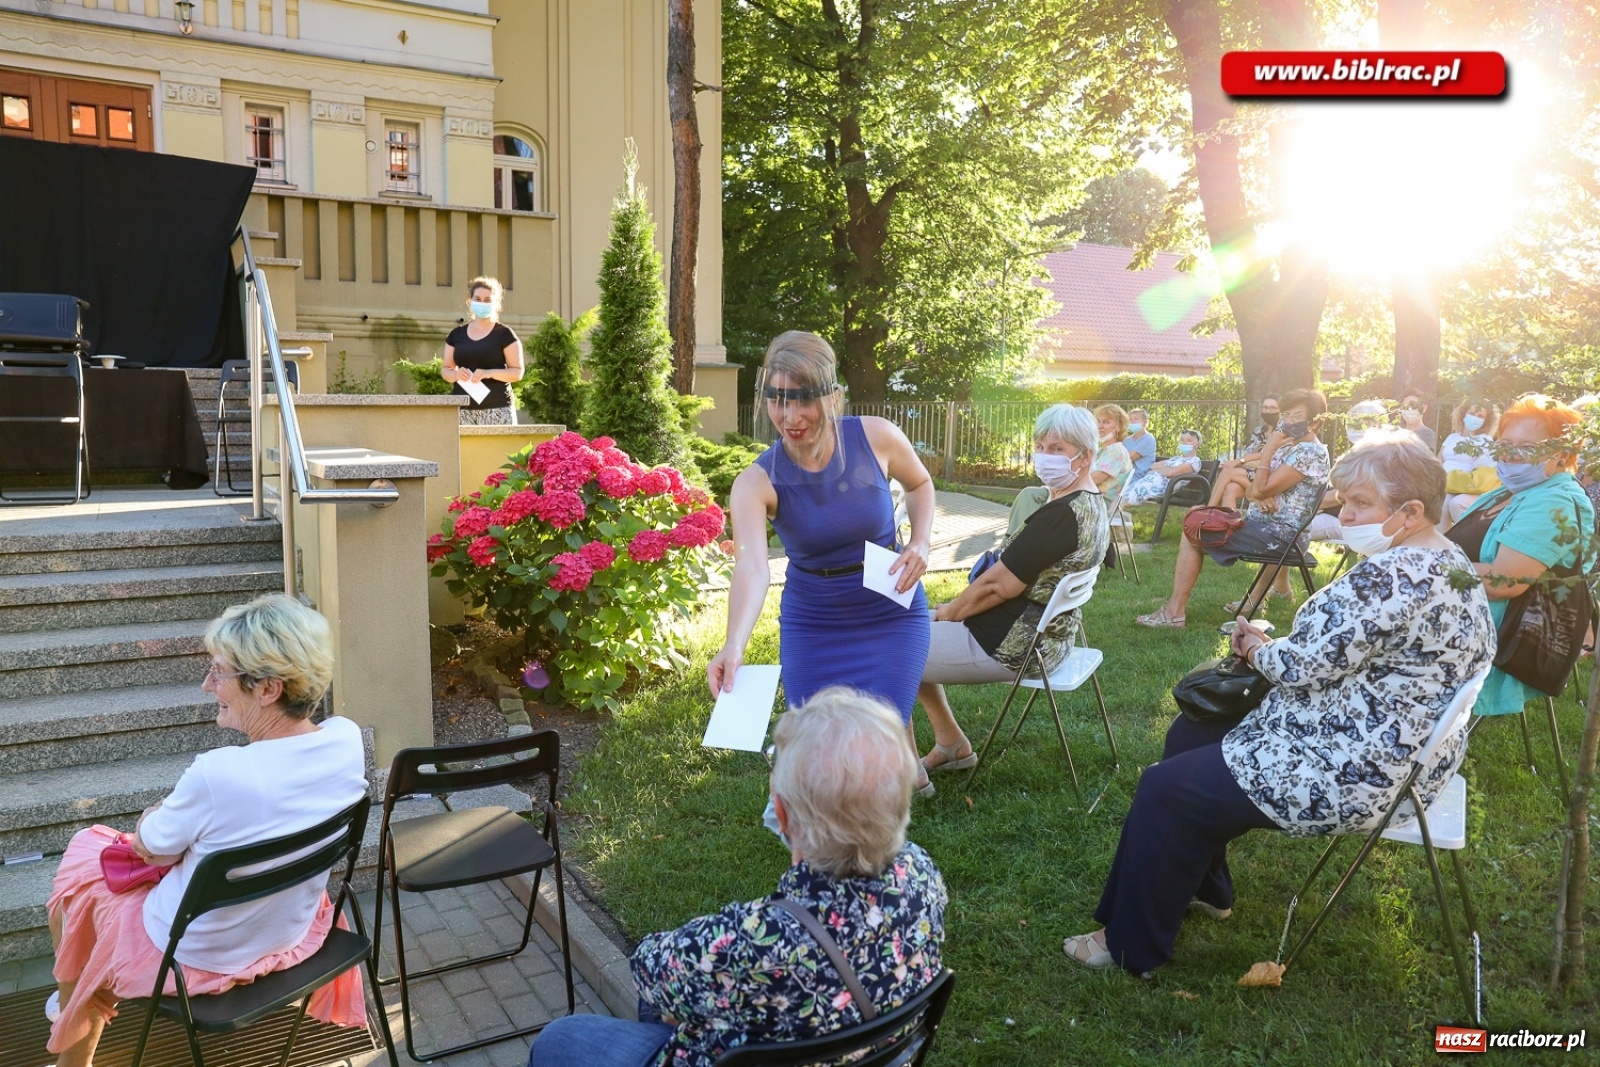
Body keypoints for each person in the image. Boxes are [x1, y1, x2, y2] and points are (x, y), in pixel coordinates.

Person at [1065, 431, 1495, 974]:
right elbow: (1342, 656)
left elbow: (1300, 666)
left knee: (1163, 789)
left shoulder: (1391, 579)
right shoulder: (1450, 560)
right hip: (1402, 752)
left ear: (1410, 511)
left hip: (1356, 766)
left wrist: (1253, 645)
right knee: (1190, 736)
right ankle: (1208, 887)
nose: (1346, 513)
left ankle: (1126, 945)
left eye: (1360, 504)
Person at [528, 687, 947, 1067]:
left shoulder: (748, 941)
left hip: (740, 1043)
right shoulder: (920, 873)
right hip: (866, 1050)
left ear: (782, 815)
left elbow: (648, 969)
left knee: (560, 1039)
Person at [43, 595, 369, 1067]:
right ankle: (71, 1003)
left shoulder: (219, 774)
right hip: (291, 928)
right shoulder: (345, 738)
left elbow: (150, 847)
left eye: (219, 673)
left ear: (268, 689)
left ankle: (73, 1023)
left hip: (195, 955)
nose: (206, 686)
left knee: (81, 860)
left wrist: (156, 812)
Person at [708, 332, 934, 779]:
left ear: (832, 396)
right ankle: (826, 844)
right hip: (814, 623)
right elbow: (752, 568)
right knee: (817, 751)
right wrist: (733, 645)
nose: (789, 416)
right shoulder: (755, 482)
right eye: (778, 400)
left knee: (877, 739)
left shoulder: (877, 437)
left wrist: (920, 542)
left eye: (803, 400)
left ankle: (881, 837)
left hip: (889, 611)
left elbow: (921, 484)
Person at [913, 405, 1111, 778]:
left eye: (1056, 449)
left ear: (1083, 457)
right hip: (1050, 637)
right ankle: (952, 745)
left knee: (887, 645)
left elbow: (996, 586)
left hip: (1014, 645)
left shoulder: (1061, 515)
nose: (1044, 456)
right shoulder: (1092, 503)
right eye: (1040, 446)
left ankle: (907, 775)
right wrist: (950, 610)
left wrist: (949, 612)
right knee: (902, 625)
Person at [1446, 395, 1595, 718]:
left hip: (1490, 639)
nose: (1511, 454)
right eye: (1505, 443)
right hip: (1454, 618)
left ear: (1562, 453)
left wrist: (1421, 567)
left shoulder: (1555, 502)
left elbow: (1504, 582)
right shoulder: (1509, 492)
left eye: (1527, 447)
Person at [1138, 389, 1331, 627]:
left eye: (1296, 416)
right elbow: (1252, 490)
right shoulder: (1291, 446)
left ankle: (1174, 613)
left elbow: (1259, 488)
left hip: (1280, 536)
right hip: (1266, 526)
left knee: (1194, 530)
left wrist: (1269, 449)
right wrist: (1259, 496)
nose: (1287, 422)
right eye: (1286, 415)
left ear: (1314, 422)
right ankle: (1174, 610)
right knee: (1195, 521)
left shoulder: (1309, 452)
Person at [440, 275, 524, 425]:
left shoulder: (505, 334)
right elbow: (446, 370)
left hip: (498, 408)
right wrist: (456, 374)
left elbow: (517, 372)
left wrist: (488, 373)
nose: (482, 303)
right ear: (469, 301)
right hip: (462, 409)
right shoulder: (456, 335)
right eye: (477, 299)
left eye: (487, 300)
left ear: (496, 303)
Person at [1308, 399, 1389, 543]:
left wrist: (1307, 505)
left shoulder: (1377, 457)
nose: (1354, 427)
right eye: (1352, 421)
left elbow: (1341, 495)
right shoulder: (1362, 452)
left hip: (1352, 522)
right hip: (1335, 515)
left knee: (1288, 531)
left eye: (1360, 422)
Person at [1208, 394, 1280, 508]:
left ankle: (1208, 510)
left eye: (1272, 408)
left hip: (1268, 476)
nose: (1268, 411)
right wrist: (1244, 461)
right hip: (1251, 473)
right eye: (1265, 408)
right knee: (1229, 489)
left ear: (1280, 411)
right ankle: (1230, 524)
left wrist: (1238, 461)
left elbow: (1267, 455)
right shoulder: (1258, 431)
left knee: (1228, 471)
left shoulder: (1281, 433)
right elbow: (1249, 453)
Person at [1439, 398, 1502, 526]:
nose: (1475, 418)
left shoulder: (1485, 441)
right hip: (1441, 481)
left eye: (1480, 416)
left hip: (1461, 485)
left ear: (1486, 421)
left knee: (1445, 503)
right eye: (1472, 413)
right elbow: (1438, 459)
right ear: (1463, 413)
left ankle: (1447, 540)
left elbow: (1481, 470)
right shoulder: (1452, 437)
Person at [1121, 429, 1203, 507]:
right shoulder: (1176, 458)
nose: (1184, 443)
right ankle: (1113, 515)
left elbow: (1171, 473)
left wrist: (1163, 469)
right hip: (1149, 481)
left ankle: (1114, 513)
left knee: (1137, 491)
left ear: (1197, 444)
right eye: (1182, 440)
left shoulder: (1194, 461)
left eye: (1189, 441)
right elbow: (1153, 466)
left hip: (1161, 487)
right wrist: (1165, 469)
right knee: (1124, 491)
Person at [1091, 403, 1135, 502]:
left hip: (1100, 503)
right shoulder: (1103, 451)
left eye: (1106, 422)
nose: (1100, 426)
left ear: (1118, 427)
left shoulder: (1116, 451)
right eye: (1098, 421)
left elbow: (1094, 479)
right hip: (1091, 498)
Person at [1124, 408, 1157, 479]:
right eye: (1130, 419)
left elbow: (1129, 458)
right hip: (1125, 475)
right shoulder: (1127, 440)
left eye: (1136, 419)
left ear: (1144, 422)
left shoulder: (1148, 439)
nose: (1133, 422)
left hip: (1138, 478)